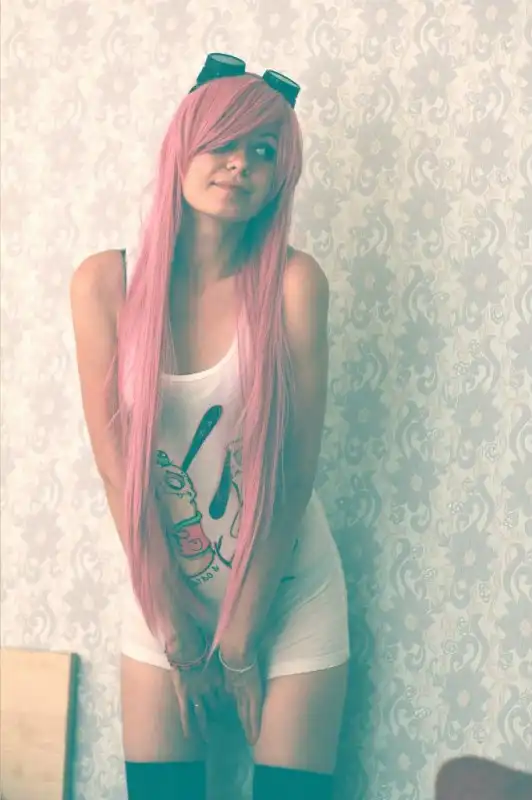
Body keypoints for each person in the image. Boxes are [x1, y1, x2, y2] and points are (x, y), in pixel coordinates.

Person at [70, 53, 350, 800]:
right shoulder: (104, 284)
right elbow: (116, 470)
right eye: (223, 142)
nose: (240, 164)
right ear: (181, 146)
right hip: (162, 588)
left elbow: (293, 476)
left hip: (287, 593)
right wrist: (176, 633)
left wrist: (240, 640)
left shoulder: (294, 285)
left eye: (264, 150)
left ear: (281, 177)